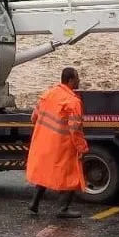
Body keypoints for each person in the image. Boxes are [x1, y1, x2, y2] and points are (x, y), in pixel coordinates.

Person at [26, 66, 87, 218]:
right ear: (71, 80)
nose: (79, 80)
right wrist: (82, 148)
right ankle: (63, 208)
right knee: (72, 175)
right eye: (78, 77)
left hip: (43, 143)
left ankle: (34, 203)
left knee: (45, 172)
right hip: (62, 146)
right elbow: (75, 129)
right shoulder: (73, 102)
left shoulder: (48, 94)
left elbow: (34, 117)